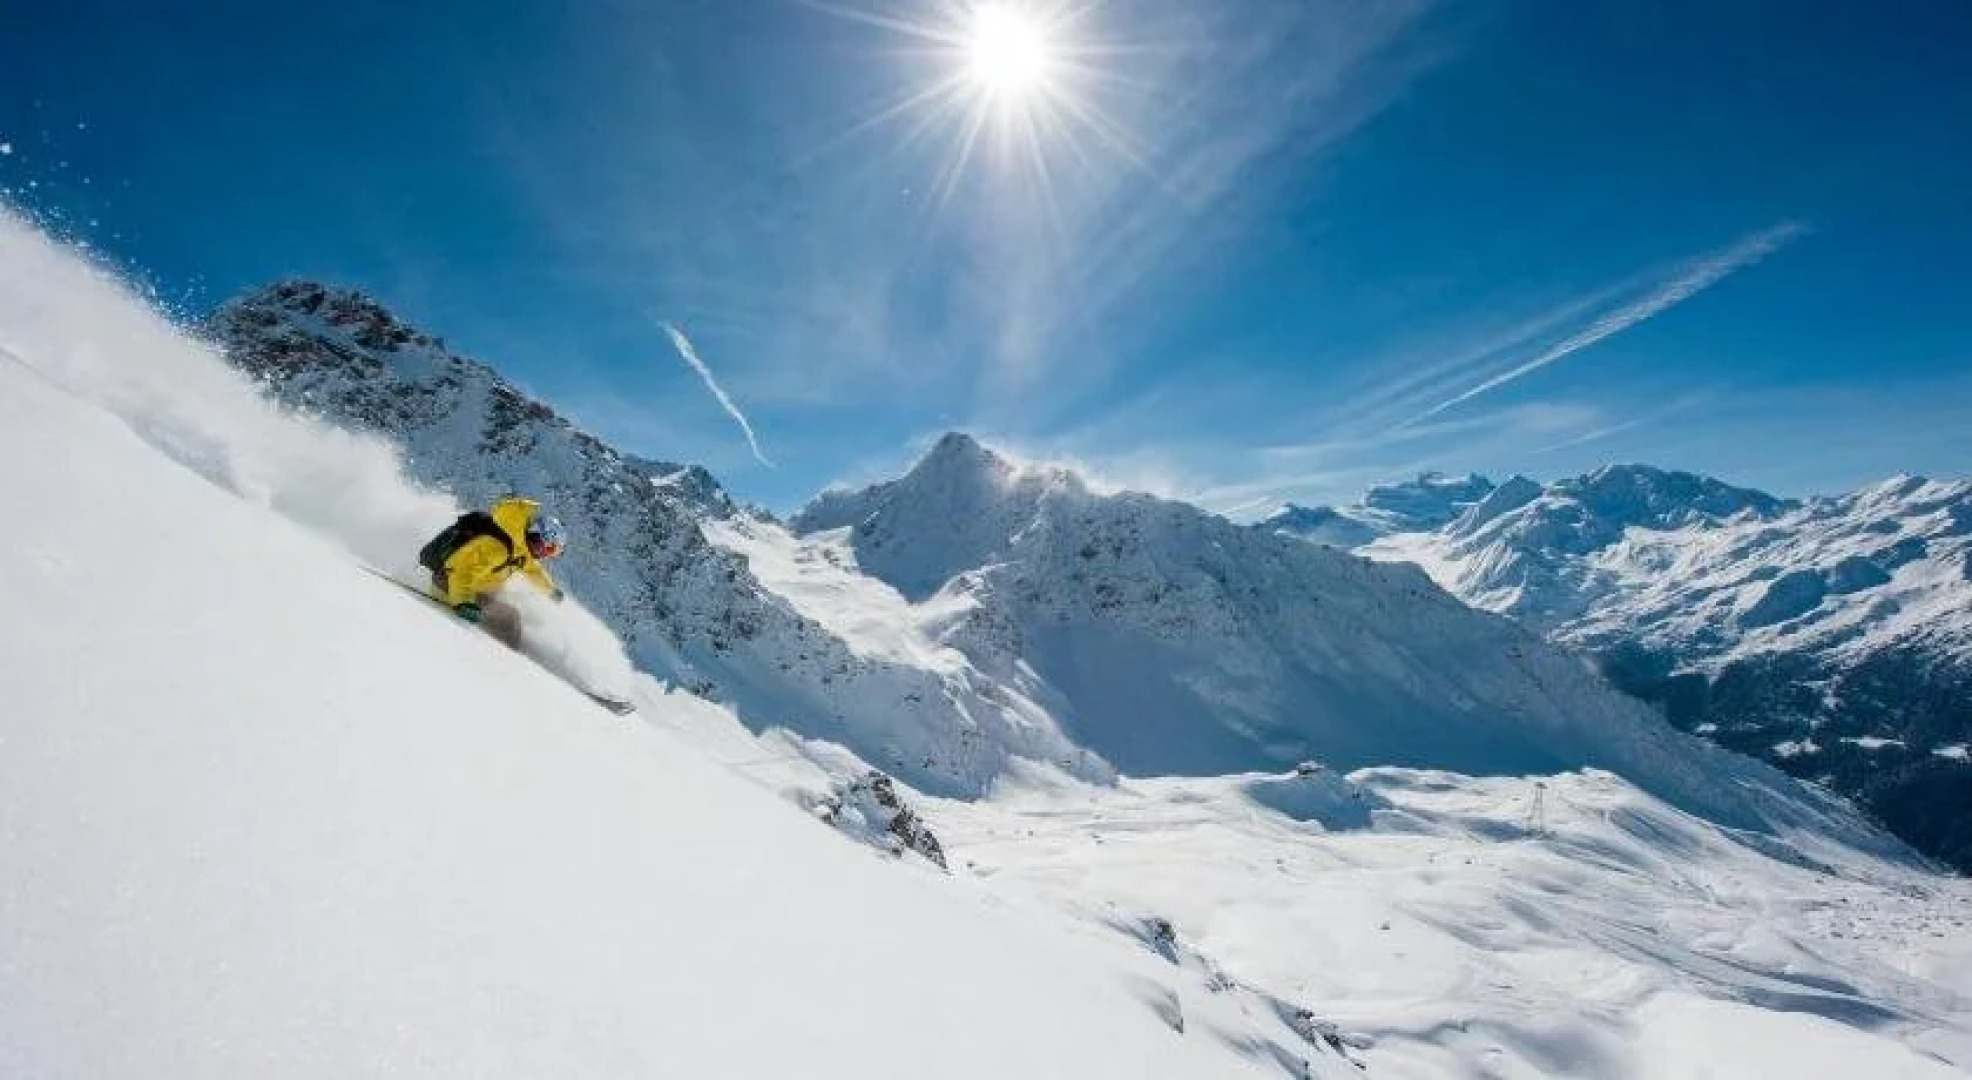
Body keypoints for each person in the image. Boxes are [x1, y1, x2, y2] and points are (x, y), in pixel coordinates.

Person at [418, 496, 568, 648]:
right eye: (549, 548)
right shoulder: (498, 547)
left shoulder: (520, 547)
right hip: (448, 586)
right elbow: (461, 570)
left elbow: (532, 570)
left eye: (553, 552)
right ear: (539, 536)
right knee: (511, 618)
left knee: (525, 613)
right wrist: (464, 602)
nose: (547, 555)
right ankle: (503, 658)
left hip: (475, 589)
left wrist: (550, 590)